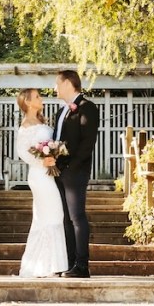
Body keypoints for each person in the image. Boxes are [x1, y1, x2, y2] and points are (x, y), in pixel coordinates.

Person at [14, 88, 70, 278]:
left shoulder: (41, 121)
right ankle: (46, 265)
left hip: (49, 174)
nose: (41, 98)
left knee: (50, 216)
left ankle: (49, 263)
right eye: (37, 96)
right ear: (28, 102)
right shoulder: (26, 124)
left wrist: (54, 154)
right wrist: (42, 161)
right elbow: (22, 151)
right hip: (39, 175)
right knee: (52, 215)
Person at [53, 70, 100, 278]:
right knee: (65, 219)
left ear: (67, 84)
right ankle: (70, 263)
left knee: (77, 217)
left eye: (57, 83)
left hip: (76, 171)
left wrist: (71, 167)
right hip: (58, 171)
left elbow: (87, 143)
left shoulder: (87, 108)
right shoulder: (60, 112)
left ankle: (82, 265)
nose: (54, 88)